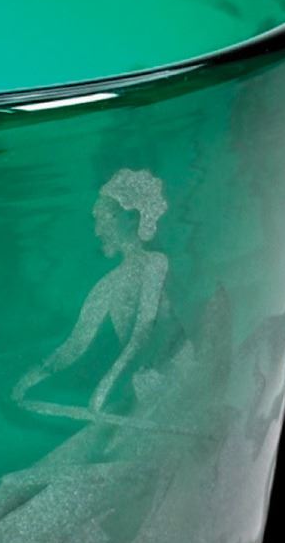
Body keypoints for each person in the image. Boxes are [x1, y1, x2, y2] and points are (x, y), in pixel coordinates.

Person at [12, 168, 170, 414]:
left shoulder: (156, 263)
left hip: (175, 375)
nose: (98, 230)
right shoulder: (107, 285)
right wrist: (29, 379)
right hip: (142, 385)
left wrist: (106, 385)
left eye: (104, 218)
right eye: (96, 220)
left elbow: (143, 331)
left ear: (130, 218)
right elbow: (74, 346)